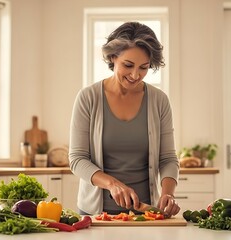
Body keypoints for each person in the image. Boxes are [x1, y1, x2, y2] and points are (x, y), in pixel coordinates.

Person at [69, 22, 180, 217]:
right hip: (96, 214)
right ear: (113, 57)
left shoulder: (159, 100)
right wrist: (112, 184)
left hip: (145, 213)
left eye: (144, 67)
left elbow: (168, 158)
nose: (135, 75)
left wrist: (168, 193)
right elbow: (77, 159)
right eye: (128, 65)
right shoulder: (88, 97)